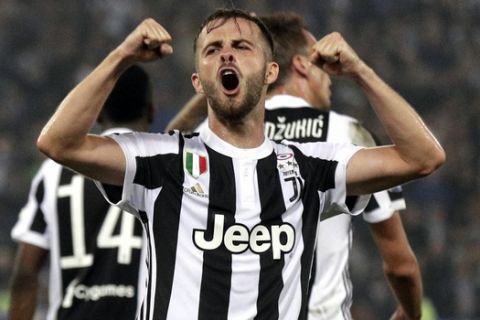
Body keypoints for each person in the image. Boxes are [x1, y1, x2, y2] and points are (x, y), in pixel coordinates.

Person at [35, 8, 445, 320]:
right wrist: (122, 56)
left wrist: (360, 71)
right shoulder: (160, 160)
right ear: (199, 81)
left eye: (241, 46)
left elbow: (422, 157)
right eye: (213, 50)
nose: (226, 53)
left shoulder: (310, 167)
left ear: (270, 72)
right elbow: (58, 142)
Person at [166, 12, 424, 320]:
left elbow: (168, 147)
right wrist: (410, 312)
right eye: (322, 66)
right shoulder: (348, 137)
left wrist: (220, 72)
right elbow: (400, 265)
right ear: (301, 66)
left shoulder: (217, 136)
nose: (329, 79)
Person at [9, 65, 152, 320]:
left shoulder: (54, 171)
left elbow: (26, 274)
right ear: (151, 110)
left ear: (97, 114)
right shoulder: (163, 166)